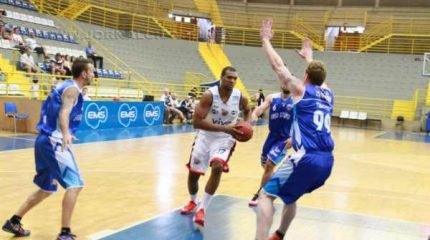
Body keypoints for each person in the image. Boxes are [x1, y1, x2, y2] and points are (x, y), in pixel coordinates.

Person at [256, 19, 335, 240]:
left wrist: (265, 40)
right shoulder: (328, 94)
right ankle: (279, 234)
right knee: (290, 198)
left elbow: (278, 66)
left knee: (265, 196)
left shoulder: (300, 90)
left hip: (306, 157)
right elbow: (318, 77)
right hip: (327, 161)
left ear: (306, 76)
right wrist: (309, 58)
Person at [2, 58, 95, 240]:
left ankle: (14, 221)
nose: (93, 74)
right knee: (75, 185)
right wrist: (66, 133)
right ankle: (65, 233)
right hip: (54, 142)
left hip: (43, 141)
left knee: (46, 189)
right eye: (91, 71)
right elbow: (64, 112)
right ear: (84, 74)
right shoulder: (71, 90)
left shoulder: (66, 85)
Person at [180, 66, 252, 230]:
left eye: (235, 78)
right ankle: (193, 200)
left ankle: (203, 208)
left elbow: (248, 111)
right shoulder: (209, 95)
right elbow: (197, 122)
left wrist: (247, 123)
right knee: (193, 174)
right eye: (229, 77)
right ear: (221, 78)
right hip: (205, 136)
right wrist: (225, 128)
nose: (232, 81)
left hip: (225, 138)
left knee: (218, 166)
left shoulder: (240, 96)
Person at [248, 86, 293, 207]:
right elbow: (259, 109)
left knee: (269, 165)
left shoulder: (296, 100)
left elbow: (303, 120)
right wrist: (254, 117)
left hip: (284, 139)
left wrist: (293, 137)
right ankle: (280, 184)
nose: (286, 84)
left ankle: (262, 196)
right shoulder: (272, 97)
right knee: (266, 166)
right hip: (271, 137)